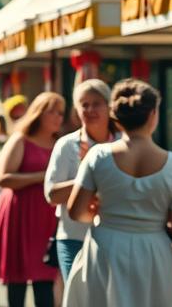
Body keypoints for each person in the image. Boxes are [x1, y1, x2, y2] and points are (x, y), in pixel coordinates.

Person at [62, 79, 172, 307]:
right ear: (152, 114)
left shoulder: (98, 156)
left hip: (106, 246)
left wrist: (97, 214)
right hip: (154, 251)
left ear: (115, 115)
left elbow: (76, 212)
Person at [0, 91, 65, 307]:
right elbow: (3, 178)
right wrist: (41, 177)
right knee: (17, 280)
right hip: (20, 215)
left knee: (45, 280)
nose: (58, 117)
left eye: (61, 113)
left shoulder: (61, 143)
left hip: (47, 218)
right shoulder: (21, 139)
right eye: (52, 112)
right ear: (39, 113)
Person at [44, 79, 121, 279]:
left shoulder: (124, 143)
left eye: (96, 103)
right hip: (73, 238)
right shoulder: (66, 145)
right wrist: (86, 178)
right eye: (84, 104)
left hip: (115, 237)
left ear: (109, 106)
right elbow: (51, 194)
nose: (89, 109)